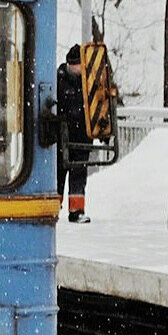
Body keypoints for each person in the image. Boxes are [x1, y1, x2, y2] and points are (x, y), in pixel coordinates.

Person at [56, 45, 91, 223]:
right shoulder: (59, 81)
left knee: (78, 174)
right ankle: (54, 208)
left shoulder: (88, 81)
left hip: (81, 136)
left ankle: (76, 211)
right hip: (62, 137)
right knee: (59, 174)